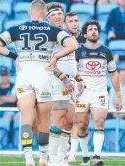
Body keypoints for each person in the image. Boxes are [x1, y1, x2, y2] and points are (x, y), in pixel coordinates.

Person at [0, 1, 78, 166]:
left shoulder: (17, 28)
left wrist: (14, 56)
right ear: (44, 13)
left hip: (24, 75)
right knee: (43, 120)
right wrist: (55, 57)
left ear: (29, 12)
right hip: (43, 75)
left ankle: (28, 158)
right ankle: (43, 158)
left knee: (26, 119)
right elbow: (73, 45)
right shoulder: (53, 30)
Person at [75, 20, 122, 166]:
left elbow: (113, 74)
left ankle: (97, 156)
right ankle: (85, 157)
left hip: (100, 92)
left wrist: (118, 95)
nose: (93, 31)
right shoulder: (78, 51)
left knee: (99, 122)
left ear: (99, 33)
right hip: (82, 93)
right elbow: (73, 71)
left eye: (95, 29)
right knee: (82, 125)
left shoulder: (106, 51)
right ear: (84, 34)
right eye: (90, 29)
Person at [46, 3, 83, 166]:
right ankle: (54, 159)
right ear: (48, 17)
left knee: (69, 121)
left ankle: (62, 158)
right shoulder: (48, 36)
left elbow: (71, 63)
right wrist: (63, 78)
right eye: (54, 14)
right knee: (58, 120)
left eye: (60, 13)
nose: (58, 16)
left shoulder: (66, 37)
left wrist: (79, 80)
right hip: (56, 81)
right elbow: (48, 63)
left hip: (71, 82)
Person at [63, 12, 86, 163]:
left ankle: (72, 152)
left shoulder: (85, 39)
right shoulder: (62, 38)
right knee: (64, 118)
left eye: (76, 21)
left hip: (82, 81)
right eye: (70, 21)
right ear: (65, 24)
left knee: (77, 119)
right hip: (65, 80)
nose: (74, 23)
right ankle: (62, 150)